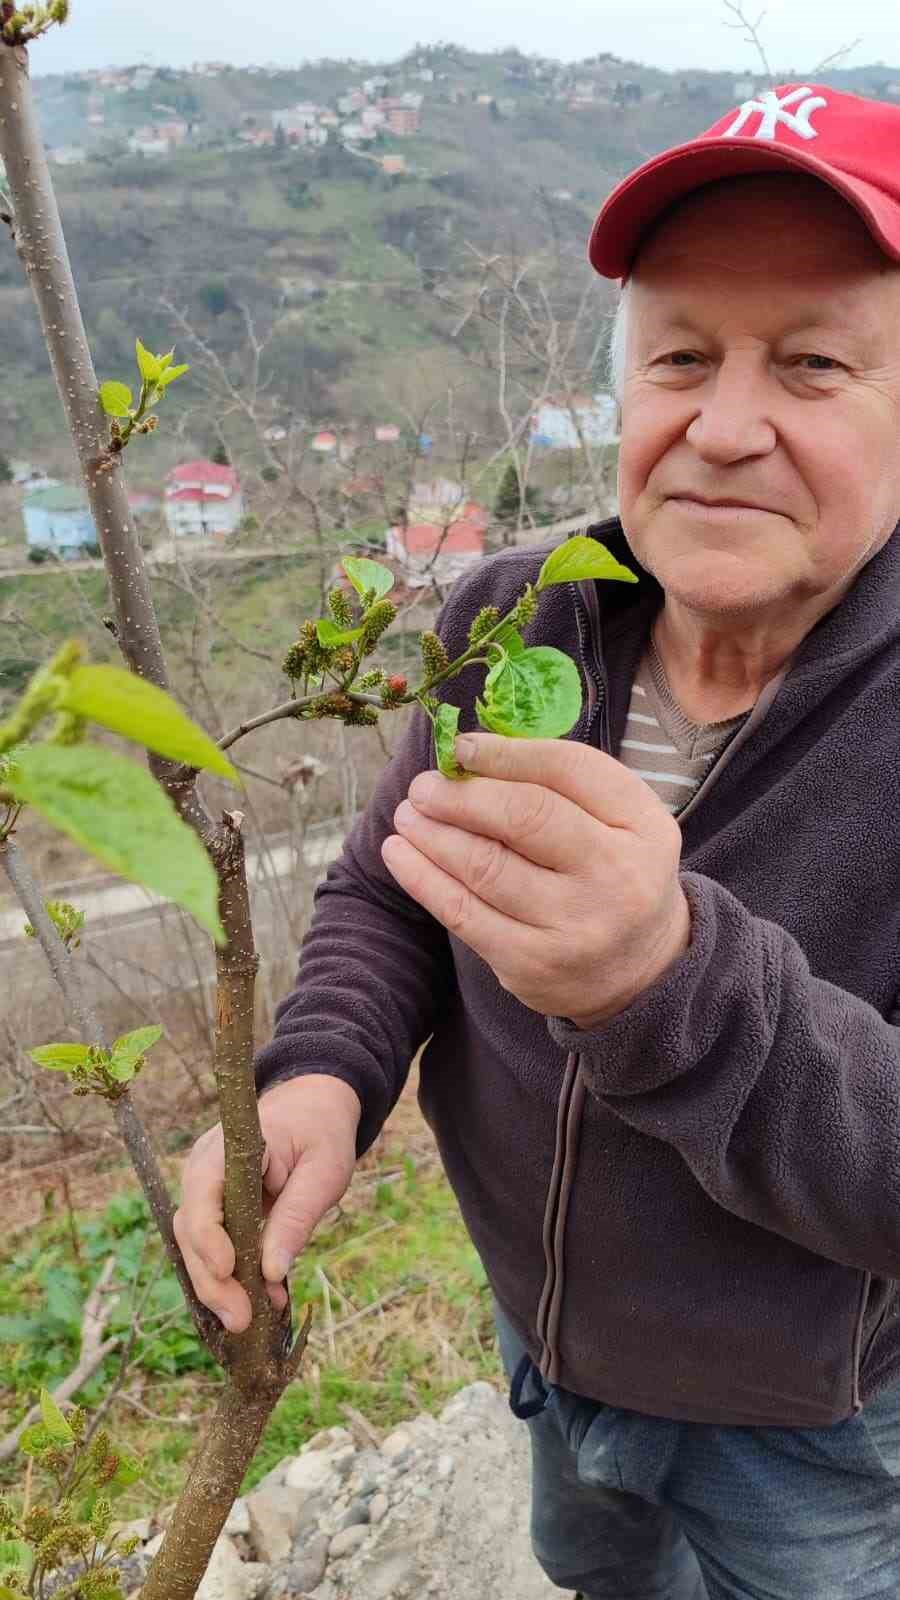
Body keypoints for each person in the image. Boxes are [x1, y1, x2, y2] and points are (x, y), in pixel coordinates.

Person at [176, 83, 900, 1598]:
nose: (722, 425)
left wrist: (665, 976)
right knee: (601, 1576)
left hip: (813, 1429)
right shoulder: (524, 612)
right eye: (680, 357)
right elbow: (394, 881)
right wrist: (323, 1071)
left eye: (815, 362)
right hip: (547, 1340)